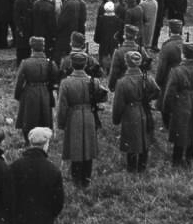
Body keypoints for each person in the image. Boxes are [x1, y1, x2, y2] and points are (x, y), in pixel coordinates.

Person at [57, 52, 103, 188]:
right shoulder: (94, 81)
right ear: (85, 65)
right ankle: (86, 178)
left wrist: (61, 123)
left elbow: (63, 106)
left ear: (72, 64)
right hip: (89, 115)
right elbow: (102, 98)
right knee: (88, 146)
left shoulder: (65, 83)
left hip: (73, 116)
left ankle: (76, 179)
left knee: (75, 147)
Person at [161, 43, 193, 167]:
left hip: (181, 102)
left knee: (180, 130)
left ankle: (177, 159)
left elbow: (170, 92)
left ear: (183, 55)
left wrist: (167, 107)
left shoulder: (176, 71)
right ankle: (190, 157)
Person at [112, 50, 158, 173]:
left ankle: (132, 168)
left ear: (126, 63)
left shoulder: (122, 82)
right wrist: (147, 98)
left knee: (131, 140)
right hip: (145, 109)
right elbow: (157, 91)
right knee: (145, 139)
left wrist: (116, 119)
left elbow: (118, 104)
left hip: (130, 112)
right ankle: (142, 166)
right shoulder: (147, 77)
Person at [14, 36, 59, 144]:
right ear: (43, 48)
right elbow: (56, 77)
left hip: (29, 91)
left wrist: (18, 95)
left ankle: (28, 140)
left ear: (32, 48)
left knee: (28, 117)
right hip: (45, 91)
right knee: (45, 117)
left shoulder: (25, 63)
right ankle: (44, 139)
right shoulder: (50, 63)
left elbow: (19, 81)